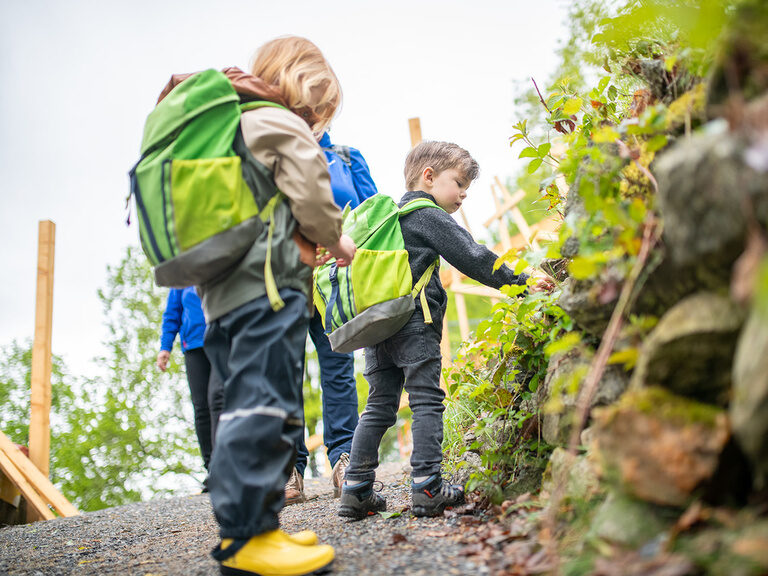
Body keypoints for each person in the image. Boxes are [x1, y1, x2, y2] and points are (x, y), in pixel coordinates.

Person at [174, 37, 356, 575]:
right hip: (268, 292)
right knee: (267, 407)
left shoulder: (232, 121)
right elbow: (312, 191)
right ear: (301, 91)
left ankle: (252, 532)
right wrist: (337, 240)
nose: (318, 125)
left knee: (245, 402)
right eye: (317, 112)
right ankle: (250, 541)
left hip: (224, 296)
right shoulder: (277, 122)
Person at [339, 141, 553, 519]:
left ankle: (355, 490)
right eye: (459, 183)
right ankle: (427, 486)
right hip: (413, 327)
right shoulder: (426, 214)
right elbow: (472, 256)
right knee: (425, 399)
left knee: (378, 407)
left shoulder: (388, 219)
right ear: (429, 177)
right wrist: (520, 283)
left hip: (378, 327)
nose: (464, 193)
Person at [285, 131, 379, 504]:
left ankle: (344, 459)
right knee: (284, 374)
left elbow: (373, 215)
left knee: (338, 370)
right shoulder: (279, 149)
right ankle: (289, 469)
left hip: (336, 282)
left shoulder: (347, 156)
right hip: (284, 282)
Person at [156, 287, 223, 481]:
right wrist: (165, 347)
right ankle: (212, 468)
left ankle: (226, 462)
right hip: (193, 346)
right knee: (201, 407)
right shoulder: (182, 277)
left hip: (220, 339)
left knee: (219, 400)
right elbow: (172, 312)